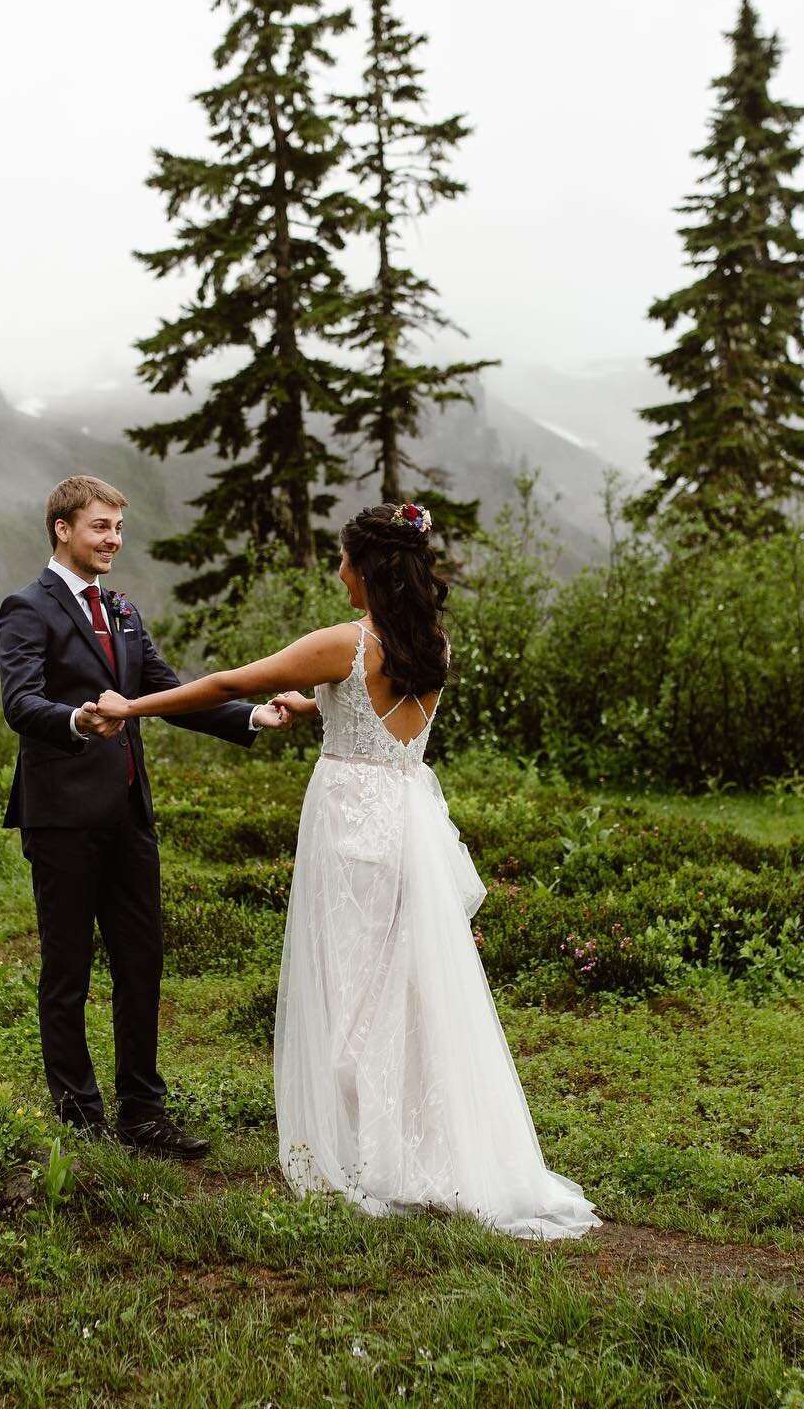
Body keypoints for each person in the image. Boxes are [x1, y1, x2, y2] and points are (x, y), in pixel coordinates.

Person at [93, 502, 599, 1238]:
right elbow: (378, 710)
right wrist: (315, 699)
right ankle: (418, 1139)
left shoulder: (344, 643)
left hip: (347, 825)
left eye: (343, 560)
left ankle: (367, 1150)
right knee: (407, 986)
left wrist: (130, 705)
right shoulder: (433, 646)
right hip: (410, 822)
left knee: (346, 985)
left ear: (368, 571)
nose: (338, 571)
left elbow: (229, 682)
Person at [0, 475, 291, 1159]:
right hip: (62, 818)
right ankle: (79, 1117)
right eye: (100, 527)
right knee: (67, 973)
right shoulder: (26, 608)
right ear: (62, 528)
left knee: (141, 963)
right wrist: (75, 718)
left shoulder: (122, 609)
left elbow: (168, 691)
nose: (113, 540)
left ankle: (142, 1114)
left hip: (130, 817)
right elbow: (19, 702)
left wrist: (250, 713)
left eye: (119, 529)